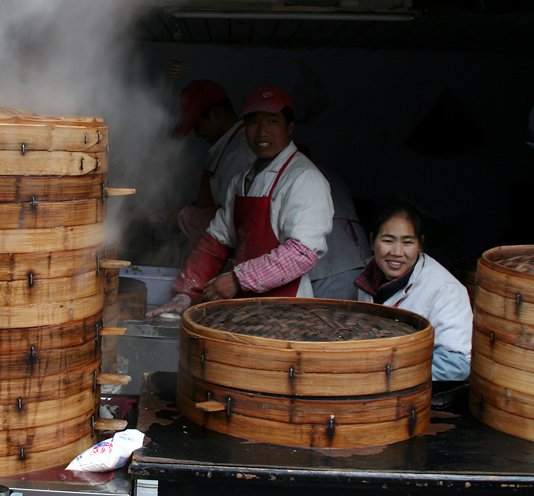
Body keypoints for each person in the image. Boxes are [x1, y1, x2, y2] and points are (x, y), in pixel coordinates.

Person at [148, 85, 334, 316]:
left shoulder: (305, 178)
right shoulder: (243, 178)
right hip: (243, 307)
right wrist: (186, 293)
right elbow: (217, 240)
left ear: (290, 127)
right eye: (254, 122)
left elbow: (301, 254)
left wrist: (238, 279)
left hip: (284, 310)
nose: (262, 132)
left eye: (273, 122)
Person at [354, 201, 472, 381]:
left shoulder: (446, 289)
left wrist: (388, 374)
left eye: (407, 242)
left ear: (421, 245)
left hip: (416, 393)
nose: (397, 252)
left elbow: (456, 365)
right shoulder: (367, 276)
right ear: (372, 241)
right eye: (388, 241)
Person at [171, 80, 256, 243]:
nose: (197, 134)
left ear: (216, 113)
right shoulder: (227, 147)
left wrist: (184, 217)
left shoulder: (239, 154)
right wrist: (190, 206)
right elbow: (221, 199)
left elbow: (229, 216)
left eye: (197, 126)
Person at [308, 165, 370, 300]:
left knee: (325, 317)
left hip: (334, 261)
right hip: (358, 256)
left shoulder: (306, 172)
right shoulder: (331, 174)